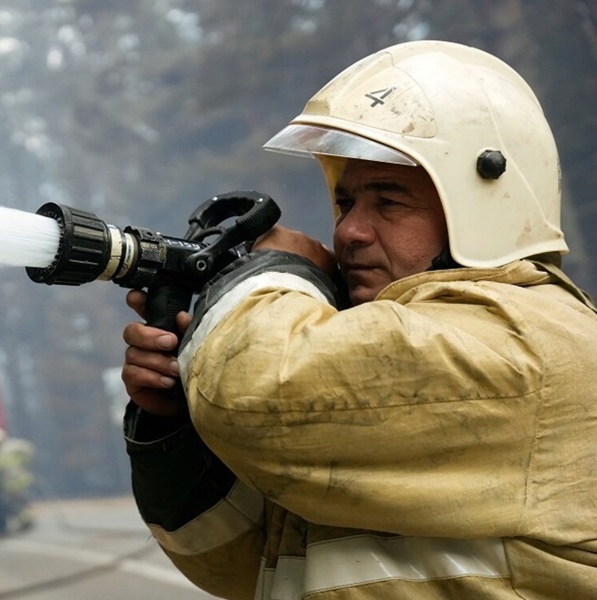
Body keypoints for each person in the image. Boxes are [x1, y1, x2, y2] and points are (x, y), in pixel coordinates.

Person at [120, 40, 597, 599]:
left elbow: (253, 394)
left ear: (486, 204)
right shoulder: (369, 366)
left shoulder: (524, 339)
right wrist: (177, 421)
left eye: (389, 202)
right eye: (346, 203)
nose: (349, 232)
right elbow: (233, 563)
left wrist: (277, 271)